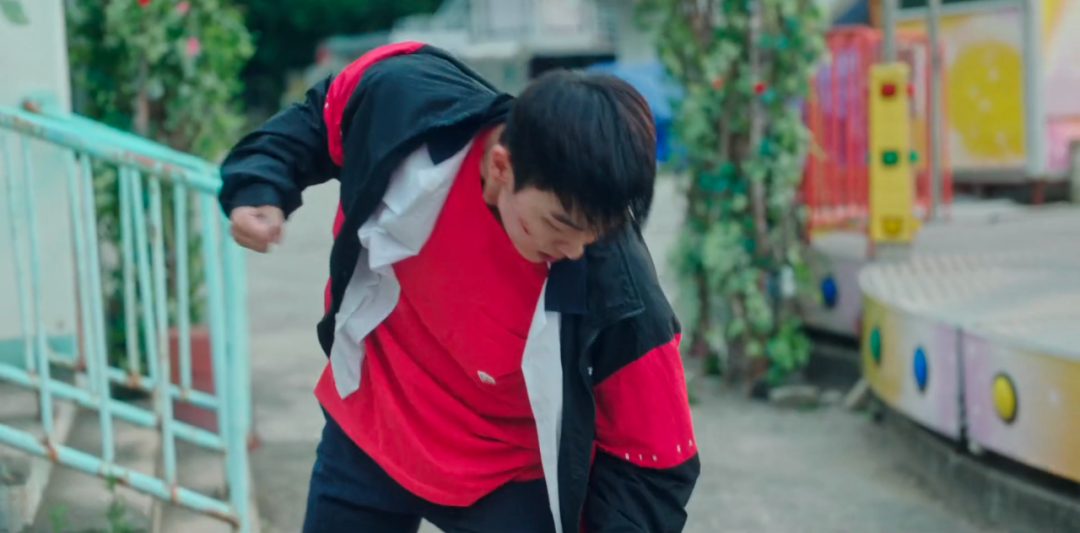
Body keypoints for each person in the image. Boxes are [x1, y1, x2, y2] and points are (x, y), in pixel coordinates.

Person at [218, 41, 699, 533]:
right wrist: (260, 182)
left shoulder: (619, 285)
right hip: (376, 420)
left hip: (506, 476)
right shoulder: (404, 103)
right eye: (558, 225)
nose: (575, 250)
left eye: (593, 234)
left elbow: (656, 459)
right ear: (501, 168)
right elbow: (321, 119)